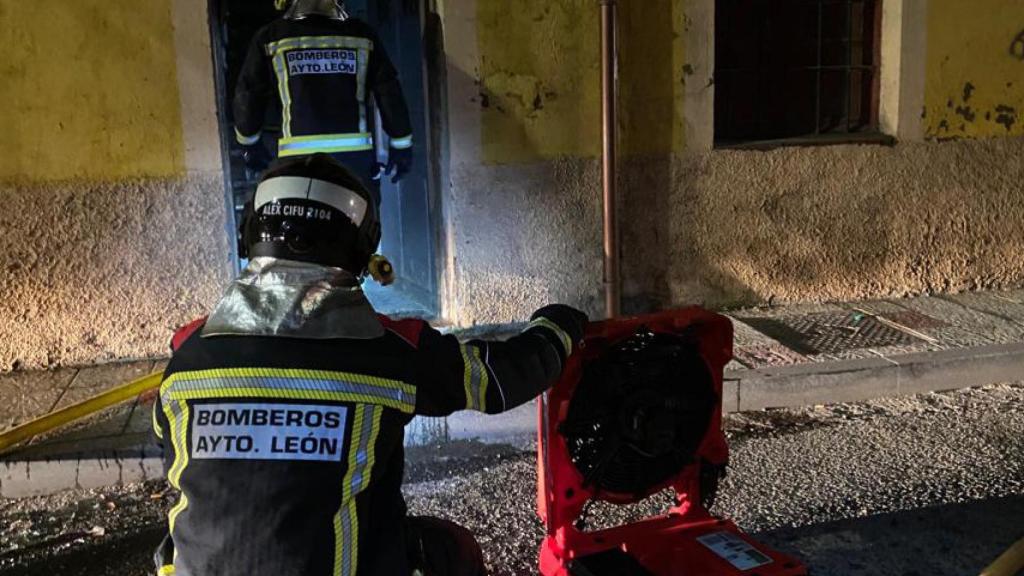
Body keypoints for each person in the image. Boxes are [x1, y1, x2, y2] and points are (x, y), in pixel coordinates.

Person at [151, 154, 588, 576]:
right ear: (362, 248)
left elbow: (171, 445)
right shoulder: (389, 351)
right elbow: (498, 379)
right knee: (449, 549)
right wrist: (560, 324)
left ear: (249, 232)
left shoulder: (188, 352)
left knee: (176, 542)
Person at [233, 0, 414, 204]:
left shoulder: (271, 38)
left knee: (301, 220)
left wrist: (250, 145)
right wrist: (401, 144)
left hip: (297, 164)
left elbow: (249, 95)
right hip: (354, 163)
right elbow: (389, 92)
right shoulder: (362, 35)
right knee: (360, 219)